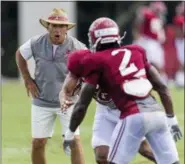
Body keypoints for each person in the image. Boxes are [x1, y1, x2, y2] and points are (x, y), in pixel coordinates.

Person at [62, 17, 182, 164]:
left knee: (129, 156)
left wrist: (70, 132)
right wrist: (171, 119)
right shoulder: (136, 51)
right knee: (102, 156)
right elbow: (161, 87)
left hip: (130, 113)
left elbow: (82, 105)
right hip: (145, 111)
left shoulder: (94, 61)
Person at [15, 8, 86, 164]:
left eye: (61, 26)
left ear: (67, 28)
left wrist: (83, 85)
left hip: (69, 103)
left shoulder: (78, 47)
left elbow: (90, 67)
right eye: (53, 26)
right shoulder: (35, 43)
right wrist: (27, 78)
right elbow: (20, 54)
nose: (57, 30)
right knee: (38, 143)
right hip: (41, 100)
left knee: (74, 141)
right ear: (47, 27)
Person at [60, 78, 156, 164]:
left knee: (144, 150)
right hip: (105, 108)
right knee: (102, 156)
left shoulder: (109, 62)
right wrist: (63, 99)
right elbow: (66, 90)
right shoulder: (78, 67)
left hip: (126, 106)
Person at [132, 2, 167, 83]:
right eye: (160, 11)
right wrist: (138, 34)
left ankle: (161, 79)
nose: (161, 13)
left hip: (155, 42)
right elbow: (139, 23)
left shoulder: (155, 17)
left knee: (158, 62)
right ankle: (158, 79)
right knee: (152, 61)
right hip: (150, 42)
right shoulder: (149, 15)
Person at [173, 2, 184, 88]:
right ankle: (179, 80)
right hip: (181, 41)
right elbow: (178, 32)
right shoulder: (179, 18)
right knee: (182, 61)